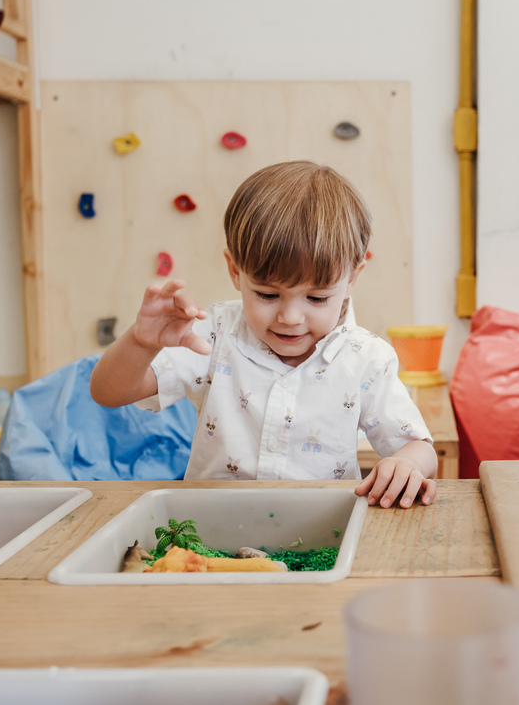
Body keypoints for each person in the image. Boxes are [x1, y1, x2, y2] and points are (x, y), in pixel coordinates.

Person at [90, 161, 438, 508]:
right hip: (210, 533)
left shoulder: (365, 358)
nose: (290, 318)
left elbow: (420, 447)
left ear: (352, 278)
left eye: (317, 298)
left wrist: (407, 463)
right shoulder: (214, 334)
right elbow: (108, 393)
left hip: (321, 537)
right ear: (235, 271)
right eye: (268, 295)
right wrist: (140, 342)